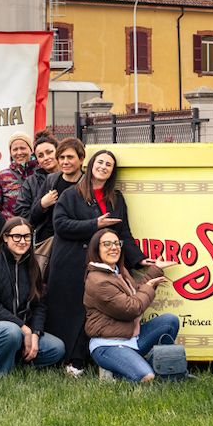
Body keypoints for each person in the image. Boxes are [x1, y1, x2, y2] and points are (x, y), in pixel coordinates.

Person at [49, 149, 149, 373]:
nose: (103, 167)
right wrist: (95, 224)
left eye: (109, 165)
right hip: (70, 264)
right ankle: (67, 361)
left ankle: (86, 359)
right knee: (71, 313)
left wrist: (140, 260)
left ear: (113, 171)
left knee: (95, 314)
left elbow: (124, 233)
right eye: (100, 162)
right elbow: (61, 226)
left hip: (101, 268)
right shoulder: (71, 194)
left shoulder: (116, 198)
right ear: (91, 164)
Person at [0, 217, 65, 379]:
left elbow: (39, 304)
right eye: (17, 236)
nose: (22, 241)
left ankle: (8, 357)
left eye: (27, 236)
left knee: (56, 348)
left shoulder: (32, 264)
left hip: (17, 332)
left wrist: (35, 333)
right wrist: (24, 328)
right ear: (6, 237)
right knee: (10, 332)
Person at [84, 229, 181, 382]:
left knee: (170, 321)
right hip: (108, 345)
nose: (114, 247)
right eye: (107, 244)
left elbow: (136, 292)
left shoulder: (119, 271)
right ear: (96, 249)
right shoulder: (98, 281)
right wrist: (149, 286)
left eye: (116, 243)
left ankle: (161, 367)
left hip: (132, 338)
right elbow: (132, 308)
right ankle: (118, 370)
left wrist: (156, 270)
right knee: (146, 377)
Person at [16, 135, 83, 245]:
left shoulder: (80, 179)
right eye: (40, 155)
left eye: (49, 152)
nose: (46, 158)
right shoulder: (31, 182)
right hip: (46, 242)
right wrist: (42, 204)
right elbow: (23, 216)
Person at [0, 132, 36, 218]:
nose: (19, 152)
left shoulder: (40, 173)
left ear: (31, 150)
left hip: (37, 228)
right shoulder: (2, 176)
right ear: (10, 153)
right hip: (10, 228)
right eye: (15, 149)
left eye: (23, 148)